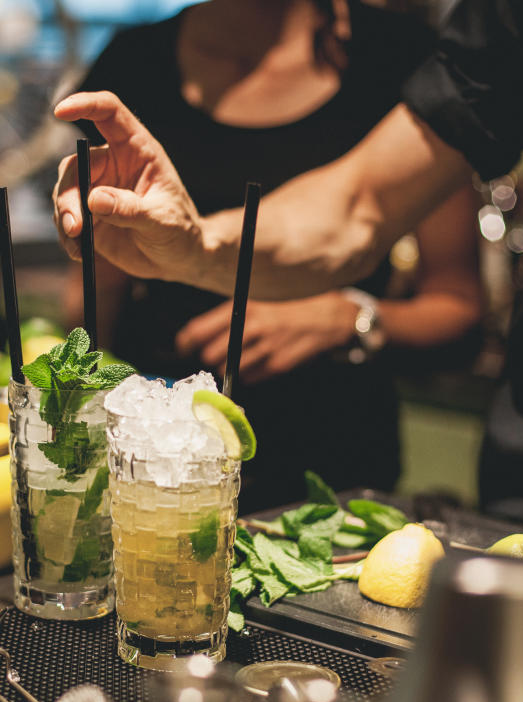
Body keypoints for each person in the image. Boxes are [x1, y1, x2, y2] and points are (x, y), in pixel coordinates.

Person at [51, 0, 523, 572]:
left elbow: (456, 305)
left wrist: (352, 319)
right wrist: (194, 244)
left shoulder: (383, 51)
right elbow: (359, 204)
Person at [62, 0, 482, 512]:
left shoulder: (405, 61)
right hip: (159, 464)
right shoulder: (134, 62)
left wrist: (343, 318)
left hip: (332, 475)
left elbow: (457, 308)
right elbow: (94, 296)